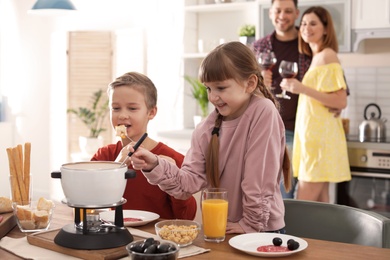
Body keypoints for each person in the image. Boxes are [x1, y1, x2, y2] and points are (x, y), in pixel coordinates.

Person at [129, 41, 291, 234]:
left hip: (260, 230)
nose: (212, 97)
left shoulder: (263, 111)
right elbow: (187, 185)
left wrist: (251, 224)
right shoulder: (206, 128)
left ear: (250, 83)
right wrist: (155, 164)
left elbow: (259, 180)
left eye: (220, 88)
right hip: (223, 229)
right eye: (208, 89)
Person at [252, 0, 343, 198]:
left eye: (288, 11)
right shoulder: (259, 47)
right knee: (273, 194)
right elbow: (244, 88)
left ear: (296, 13)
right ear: (270, 13)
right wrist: (260, 82)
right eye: (277, 11)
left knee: (292, 199)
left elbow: (337, 87)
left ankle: (291, 229)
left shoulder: (309, 44)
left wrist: (337, 105)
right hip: (269, 131)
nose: (282, 16)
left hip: (301, 130)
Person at [91, 72, 197, 220]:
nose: (122, 115)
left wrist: (172, 178)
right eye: (115, 108)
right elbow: (87, 198)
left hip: (157, 238)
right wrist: (116, 166)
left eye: (132, 108)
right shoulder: (104, 156)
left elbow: (186, 217)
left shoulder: (174, 159)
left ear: (151, 112)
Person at [280, 6, 351, 203]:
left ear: (326, 29)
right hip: (313, 140)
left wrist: (301, 88)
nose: (306, 28)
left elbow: (341, 100)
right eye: (303, 23)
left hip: (319, 142)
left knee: (304, 207)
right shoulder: (318, 57)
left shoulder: (327, 55)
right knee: (320, 207)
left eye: (313, 23)